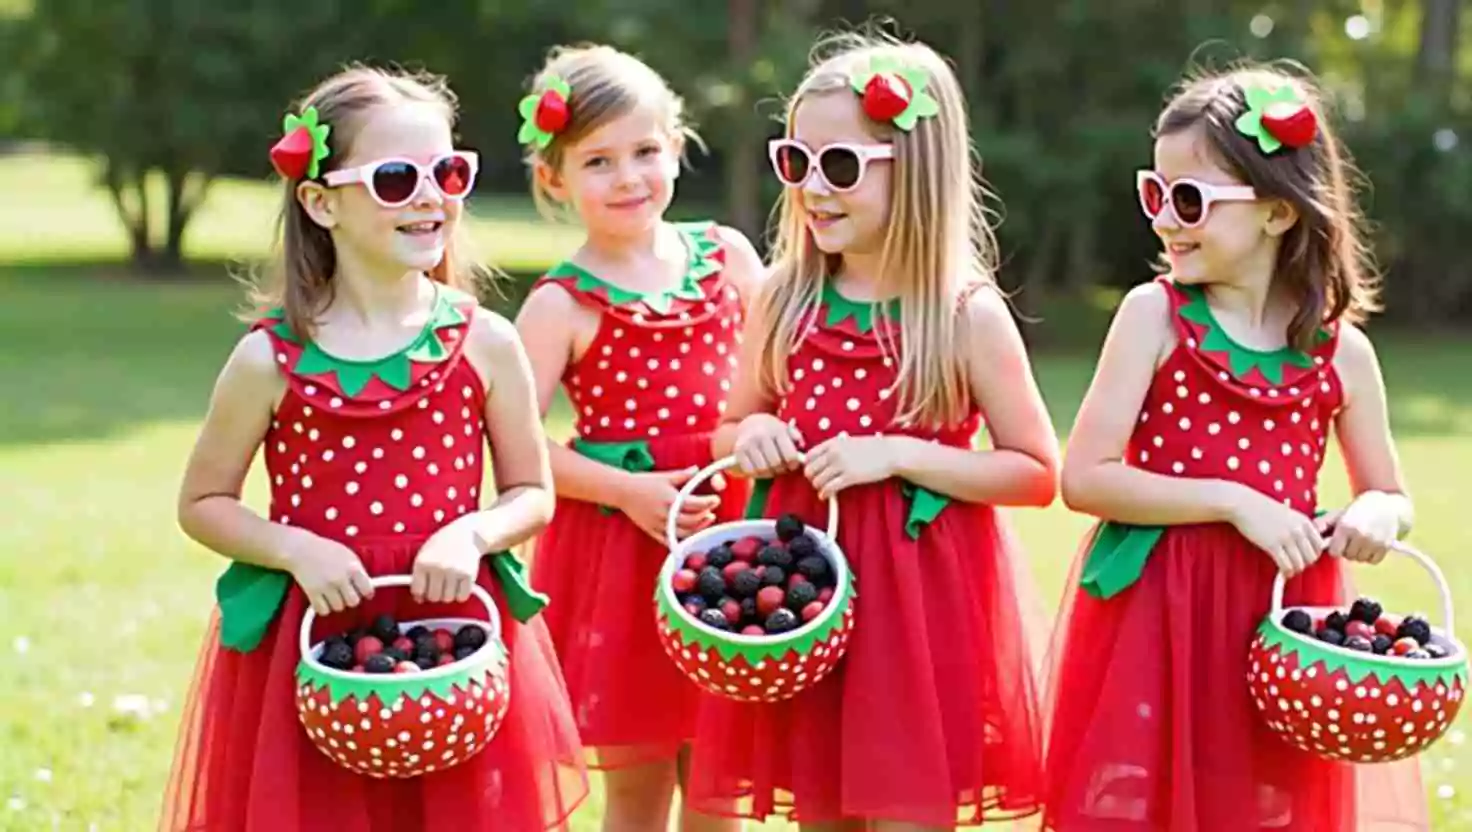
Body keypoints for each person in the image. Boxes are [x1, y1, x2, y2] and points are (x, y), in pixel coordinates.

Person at [160, 65, 588, 831]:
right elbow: (202, 504)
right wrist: (296, 549)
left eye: (448, 171)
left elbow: (532, 491)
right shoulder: (269, 359)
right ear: (321, 202)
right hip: (315, 635)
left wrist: (471, 532)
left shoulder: (485, 342)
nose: (432, 196)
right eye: (397, 178)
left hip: (452, 624)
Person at [685, 31, 1061, 829]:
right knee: (820, 805)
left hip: (920, 615)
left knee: (909, 807)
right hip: (802, 594)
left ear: (916, 170)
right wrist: (750, 435)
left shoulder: (962, 317)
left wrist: (898, 455)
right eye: (797, 162)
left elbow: (1034, 471)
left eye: (841, 166)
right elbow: (729, 425)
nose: (814, 188)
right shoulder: (786, 297)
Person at [1041, 63, 1428, 831]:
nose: (1164, 220)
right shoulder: (1153, 317)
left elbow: (1391, 492)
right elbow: (1085, 477)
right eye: (1154, 195)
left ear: (1279, 213)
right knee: (1144, 804)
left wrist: (1379, 516)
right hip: (1159, 612)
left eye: (1189, 200)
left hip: (1284, 616)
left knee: (1265, 803)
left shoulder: (1339, 354)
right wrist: (1233, 502)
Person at [514, 43, 762, 831]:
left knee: (723, 777)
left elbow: (779, 379)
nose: (629, 178)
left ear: (677, 148)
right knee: (641, 783)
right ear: (554, 179)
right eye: (598, 161)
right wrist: (627, 492)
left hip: (733, 537)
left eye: (646, 151)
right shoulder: (562, 303)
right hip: (622, 557)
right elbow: (512, 448)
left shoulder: (730, 257)